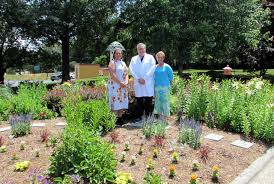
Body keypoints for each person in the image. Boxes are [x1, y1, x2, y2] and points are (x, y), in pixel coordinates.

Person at [129, 43, 156, 122]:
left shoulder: (150, 57)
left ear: (145, 49)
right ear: (137, 50)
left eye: (143, 48)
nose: (141, 50)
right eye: (140, 49)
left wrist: (144, 78)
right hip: (138, 83)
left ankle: (148, 117)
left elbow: (152, 68)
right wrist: (138, 78)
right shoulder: (134, 59)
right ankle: (139, 117)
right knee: (139, 101)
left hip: (147, 82)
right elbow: (131, 69)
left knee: (149, 100)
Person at [108, 48, 129, 125]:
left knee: (122, 101)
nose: (118, 54)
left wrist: (126, 82)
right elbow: (112, 75)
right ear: (114, 54)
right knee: (115, 101)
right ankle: (114, 119)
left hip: (123, 85)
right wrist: (120, 83)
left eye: (120, 53)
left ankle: (120, 118)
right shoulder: (112, 63)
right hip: (115, 86)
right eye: (117, 53)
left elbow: (126, 73)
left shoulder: (123, 63)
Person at [153, 51, 173, 121]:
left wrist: (170, 87)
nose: (160, 59)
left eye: (161, 57)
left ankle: (164, 119)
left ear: (163, 58)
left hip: (165, 87)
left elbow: (171, 78)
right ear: (156, 58)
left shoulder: (167, 67)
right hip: (157, 87)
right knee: (158, 102)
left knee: (165, 102)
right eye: (158, 57)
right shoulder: (154, 67)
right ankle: (160, 118)